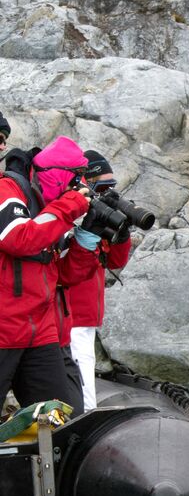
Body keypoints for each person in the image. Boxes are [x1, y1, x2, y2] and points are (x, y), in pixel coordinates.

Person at [0, 135, 101, 413]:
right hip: (4, 331)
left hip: (39, 332)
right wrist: (69, 207)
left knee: (63, 419)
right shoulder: (8, 189)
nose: (78, 188)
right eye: (76, 178)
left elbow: (64, 276)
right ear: (58, 176)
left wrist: (88, 239)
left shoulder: (49, 210)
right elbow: (19, 239)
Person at [66, 150, 132, 411]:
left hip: (87, 314)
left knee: (83, 366)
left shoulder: (98, 213)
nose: (106, 192)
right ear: (85, 182)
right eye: (101, 186)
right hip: (70, 312)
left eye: (111, 186)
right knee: (79, 377)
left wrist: (122, 232)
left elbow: (114, 261)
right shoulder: (73, 210)